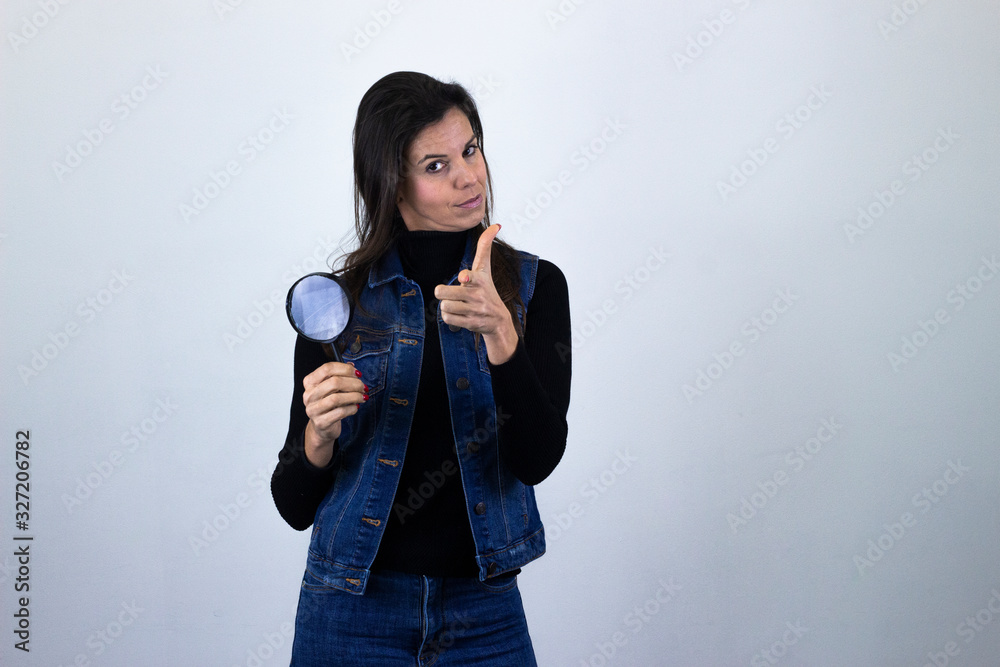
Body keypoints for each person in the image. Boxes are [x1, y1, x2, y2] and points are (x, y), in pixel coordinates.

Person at [270, 71, 571, 666]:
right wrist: (318, 436)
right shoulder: (336, 306)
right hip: (350, 608)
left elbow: (538, 460)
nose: (468, 176)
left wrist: (501, 335)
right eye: (435, 166)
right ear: (392, 185)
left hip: (483, 611)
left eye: (471, 149)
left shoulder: (534, 287)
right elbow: (292, 504)